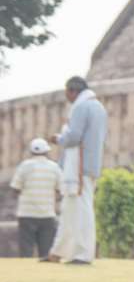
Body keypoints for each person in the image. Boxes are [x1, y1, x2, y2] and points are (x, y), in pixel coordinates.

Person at [45, 76, 107, 265]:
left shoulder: (81, 107)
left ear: (73, 91)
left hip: (79, 165)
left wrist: (58, 139)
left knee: (81, 209)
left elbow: (74, 137)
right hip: (88, 163)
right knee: (70, 209)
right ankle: (59, 251)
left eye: (67, 94)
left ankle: (82, 253)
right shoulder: (98, 107)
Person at [9, 138, 62, 258]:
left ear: (31, 152)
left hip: (26, 214)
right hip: (47, 214)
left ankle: (25, 273)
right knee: (46, 250)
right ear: (46, 152)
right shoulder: (54, 167)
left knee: (26, 250)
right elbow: (61, 189)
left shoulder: (24, 166)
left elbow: (15, 189)